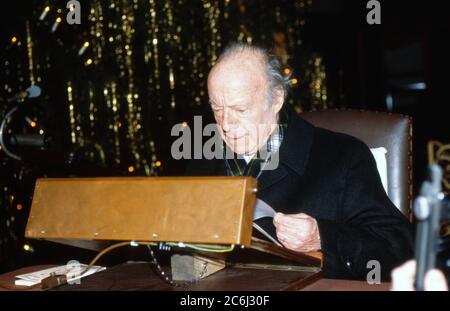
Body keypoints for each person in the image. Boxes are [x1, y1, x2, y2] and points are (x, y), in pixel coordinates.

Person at [185, 42, 413, 280]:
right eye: (217, 109)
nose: (225, 124)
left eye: (240, 109)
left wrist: (322, 237)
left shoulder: (342, 157)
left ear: (276, 100)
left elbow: (399, 251)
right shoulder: (203, 161)